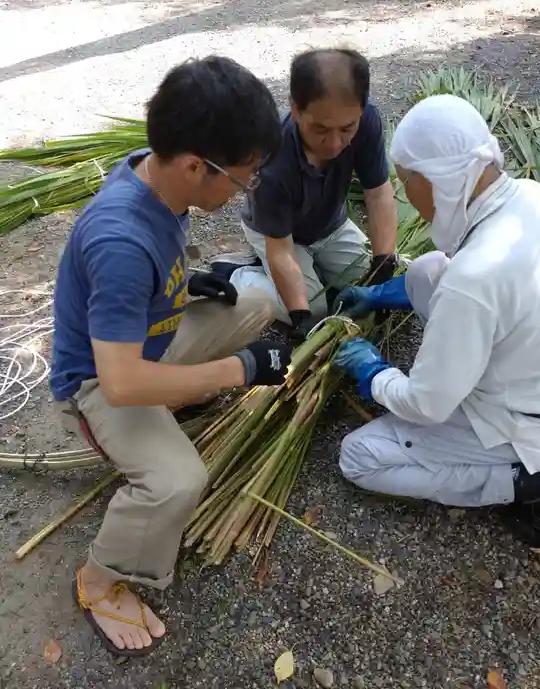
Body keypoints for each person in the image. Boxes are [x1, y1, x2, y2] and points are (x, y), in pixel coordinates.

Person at [50, 56, 293, 657]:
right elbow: (123, 381)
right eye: (242, 178)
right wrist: (242, 371)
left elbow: (137, 287)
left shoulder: (147, 171)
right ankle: (99, 580)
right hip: (100, 382)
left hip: (146, 342)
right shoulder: (121, 239)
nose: (246, 188)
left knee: (259, 303)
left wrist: (185, 286)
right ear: (194, 166)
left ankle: (179, 403)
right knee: (179, 481)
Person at [332, 93, 540, 545]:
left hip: (521, 419)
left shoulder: (474, 280)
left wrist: (375, 372)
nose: (406, 193)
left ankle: (519, 482)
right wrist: (378, 294)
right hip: (525, 360)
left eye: (408, 180)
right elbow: (446, 274)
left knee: (360, 456)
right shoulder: (526, 193)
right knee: (429, 267)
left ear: (437, 180)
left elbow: (427, 404)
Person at [211, 48, 398, 340]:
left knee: (372, 286)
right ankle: (241, 274)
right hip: (277, 235)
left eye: (347, 128)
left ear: (361, 110)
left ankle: (311, 270)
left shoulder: (368, 121)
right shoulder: (273, 161)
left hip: (329, 224)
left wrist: (384, 261)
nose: (335, 143)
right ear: (296, 108)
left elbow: (378, 194)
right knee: (316, 310)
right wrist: (299, 315)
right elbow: (281, 248)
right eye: (320, 129)